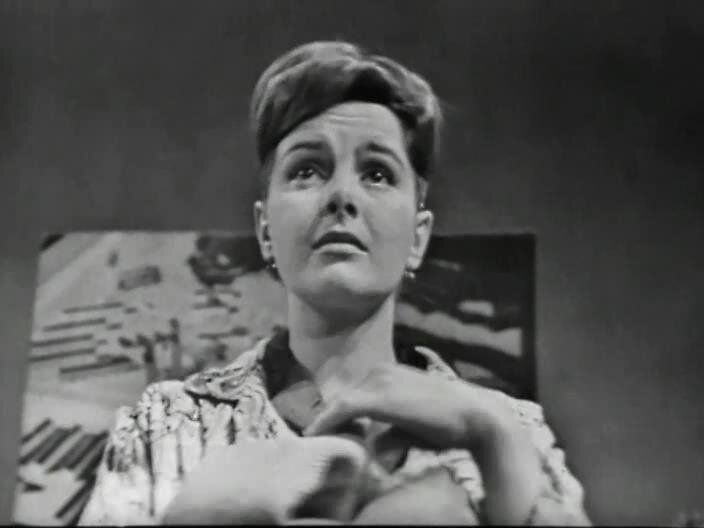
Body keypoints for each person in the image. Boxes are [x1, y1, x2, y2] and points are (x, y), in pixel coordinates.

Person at [78, 40, 590, 525]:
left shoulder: (516, 429)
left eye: (377, 174)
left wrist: (493, 439)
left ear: (417, 236)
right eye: (307, 170)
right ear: (265, 231)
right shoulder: (161, 426)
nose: (342, 195)